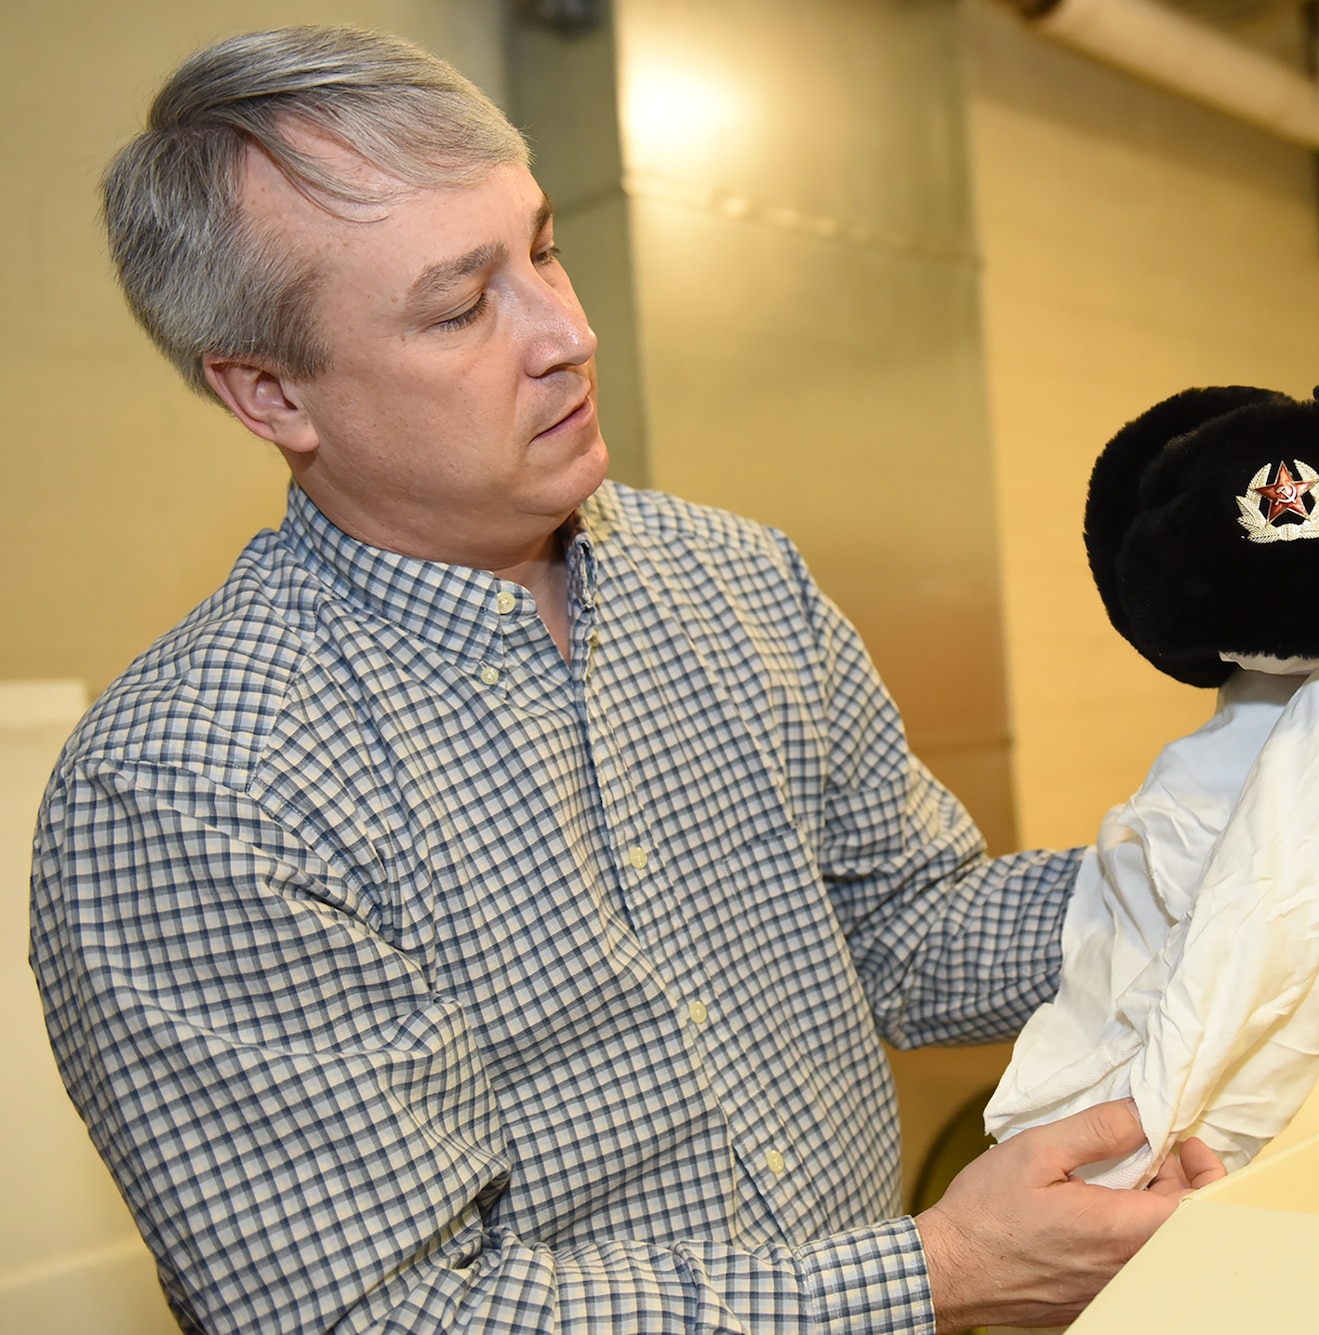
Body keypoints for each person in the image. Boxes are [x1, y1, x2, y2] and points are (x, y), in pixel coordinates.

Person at [30, 25, 1221, 1335]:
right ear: (271, 397)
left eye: (541, 246)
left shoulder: (732, 579)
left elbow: (906, 926)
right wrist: (943, 1271)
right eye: (459, 304)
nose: (569, 330)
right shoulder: (197, 792)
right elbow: (394, 1314)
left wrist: (1217, 866)